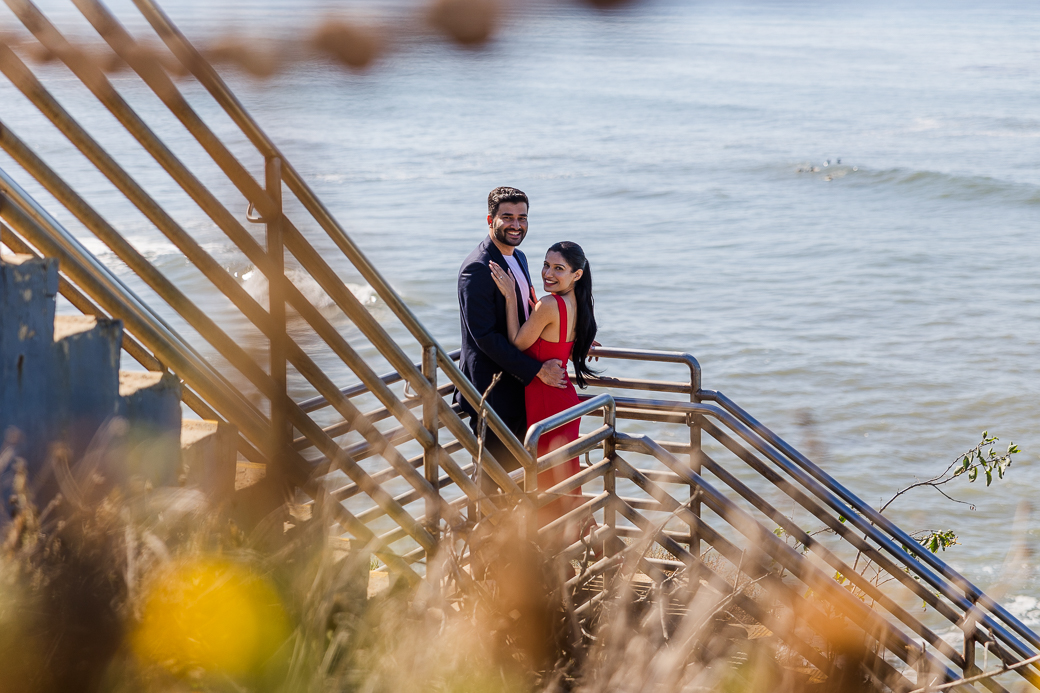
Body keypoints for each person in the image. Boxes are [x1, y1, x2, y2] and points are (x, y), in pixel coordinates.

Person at [456, 187, 568, 482]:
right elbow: (485, 337)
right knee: (493, 479)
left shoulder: (518, 258)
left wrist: (573, 336)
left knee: (519, 475)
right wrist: (537, 371)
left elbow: (527, 315)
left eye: (522, 218)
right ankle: (479, 528)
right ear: (490, 219)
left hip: (519, 386)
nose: (516, 225)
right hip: (492, 392)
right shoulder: (477, 269)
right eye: (507, 217)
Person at [489, 241, 598, 528]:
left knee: (551, 485)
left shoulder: (549, 305)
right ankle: (595, 551)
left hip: (547, 401)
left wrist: (512, 298)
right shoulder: (579, 301)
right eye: (546, 265)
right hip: (563, 399)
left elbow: (517, 343)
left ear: (576, 274)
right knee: (566, 483)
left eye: (558, 268)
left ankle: (570, 550)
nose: (548, 273)